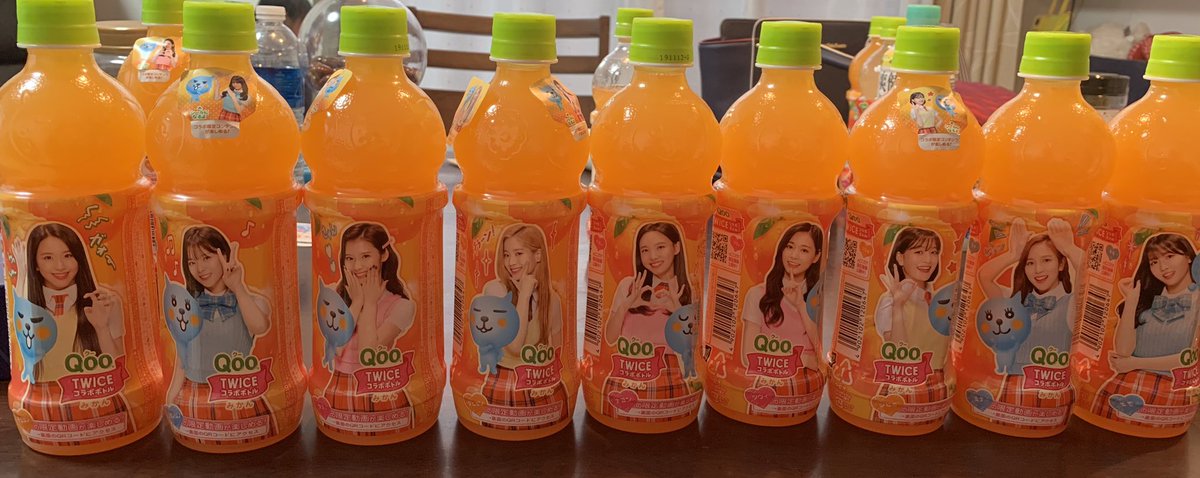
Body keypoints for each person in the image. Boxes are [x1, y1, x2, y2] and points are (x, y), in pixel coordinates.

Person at [14, 223, 131, 445]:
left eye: (68, 255)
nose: (60, 266)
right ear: (35, 264)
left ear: (79, 258)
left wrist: (101, 328)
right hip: (42, 413)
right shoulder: (27, 308)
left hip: (103, 408)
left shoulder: (106, 302)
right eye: (48, 258)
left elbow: (119, 366)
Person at [167, 226, 274, 446]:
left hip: (241, 396)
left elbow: (260, 326)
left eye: (206, 257)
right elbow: (181, 363)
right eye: (192, 262)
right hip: (195, 396)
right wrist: (169, 404)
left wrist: (238, 287)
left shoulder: (251, 301)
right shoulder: (186, 308)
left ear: (224, 255)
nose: (200, 268)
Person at [1093, 233, 1200, 420]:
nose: (1163, 267)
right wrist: (1131, 300)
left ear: (1189, 256)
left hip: (1171, 394)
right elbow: (1124, 351)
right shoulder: (1148, 299)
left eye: (1170, 256)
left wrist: (1136, 363)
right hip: (1123, 390)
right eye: (1154, 262)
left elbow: (1189, 359)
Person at [322, 223, 416, 435]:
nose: (357, 266)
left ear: (384, 255)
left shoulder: (401, 306)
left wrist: (370, 304)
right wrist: (357, 303)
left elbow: (368, 355)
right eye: (350, 258)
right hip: (340, 388)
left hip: (382, 392)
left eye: (365, 256)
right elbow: (336, 349)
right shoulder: (335, 297)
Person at [601, 222, 695, 420]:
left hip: (670, 383)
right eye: (645, 250)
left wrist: (678, 312)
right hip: (625, 377)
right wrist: (625, 306)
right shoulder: (629, 286)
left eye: (660, 247)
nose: (653, 256)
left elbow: (690, 351)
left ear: (676, 247)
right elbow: (610, 338)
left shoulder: (688, 289)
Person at [478, 224, 568, 430]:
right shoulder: (496, 291)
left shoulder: (552, 300)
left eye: (519, 253)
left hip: (544, 388)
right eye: (506, 255)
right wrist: (524, 295)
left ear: (538, 255)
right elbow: (514, 346)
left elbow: (557, 352)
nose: (511, 262)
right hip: (504, 386)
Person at [741, 223, 824, 416]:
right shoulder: (758, 294)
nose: (794, 255)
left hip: (804, 393)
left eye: (804, 250)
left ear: (816, 256)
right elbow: (748, 355)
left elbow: (818, 356)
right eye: (790, 246)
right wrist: (802, 358)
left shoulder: (816, 298)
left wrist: (801, 306)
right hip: (764, 392)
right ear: (781, 249)